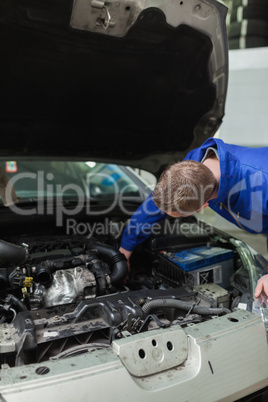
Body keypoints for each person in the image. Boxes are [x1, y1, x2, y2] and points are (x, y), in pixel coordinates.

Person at [119, 137, 268, 297]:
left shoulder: (261, 181)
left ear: (203, 207)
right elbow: (153, 207)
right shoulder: (193, 167)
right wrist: (125, 249)